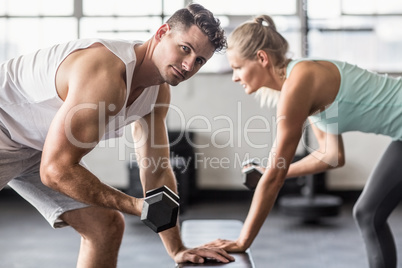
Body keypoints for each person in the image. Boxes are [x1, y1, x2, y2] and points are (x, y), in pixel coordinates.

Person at [0, 3, 235, 267]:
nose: (189, 65)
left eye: (199, 60)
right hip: (4, 127)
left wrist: (177, 249)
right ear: (161, 32)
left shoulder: (157, 93)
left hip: (36, 144)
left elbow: (156, 170)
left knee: (105, 227)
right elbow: (56, 170)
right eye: (185, 48)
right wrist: (138, 206)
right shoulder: (106, 74)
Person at [202, 14, 402, 268]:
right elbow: (331, 156)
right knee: (368, 214)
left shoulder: (300, 81)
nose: (235, 77)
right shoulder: (300, 81)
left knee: (368, 214)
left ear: (261, 58)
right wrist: (268, 172)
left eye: (238, 67)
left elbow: (275, 177)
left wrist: (243, 241)